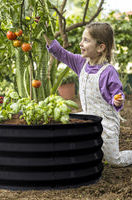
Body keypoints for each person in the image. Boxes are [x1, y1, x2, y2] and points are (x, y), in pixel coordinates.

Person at [44, 22, 132, 167]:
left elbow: (117, 94)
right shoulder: (81, 63)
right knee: (65, 124)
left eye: (86, 40)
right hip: (88, 117)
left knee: (115, 161)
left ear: (100, 47)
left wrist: (118, 100)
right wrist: (46, 30)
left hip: (106, 123)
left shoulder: (108, 72)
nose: (80, 43)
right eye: (82, 39)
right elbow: (60, 52)